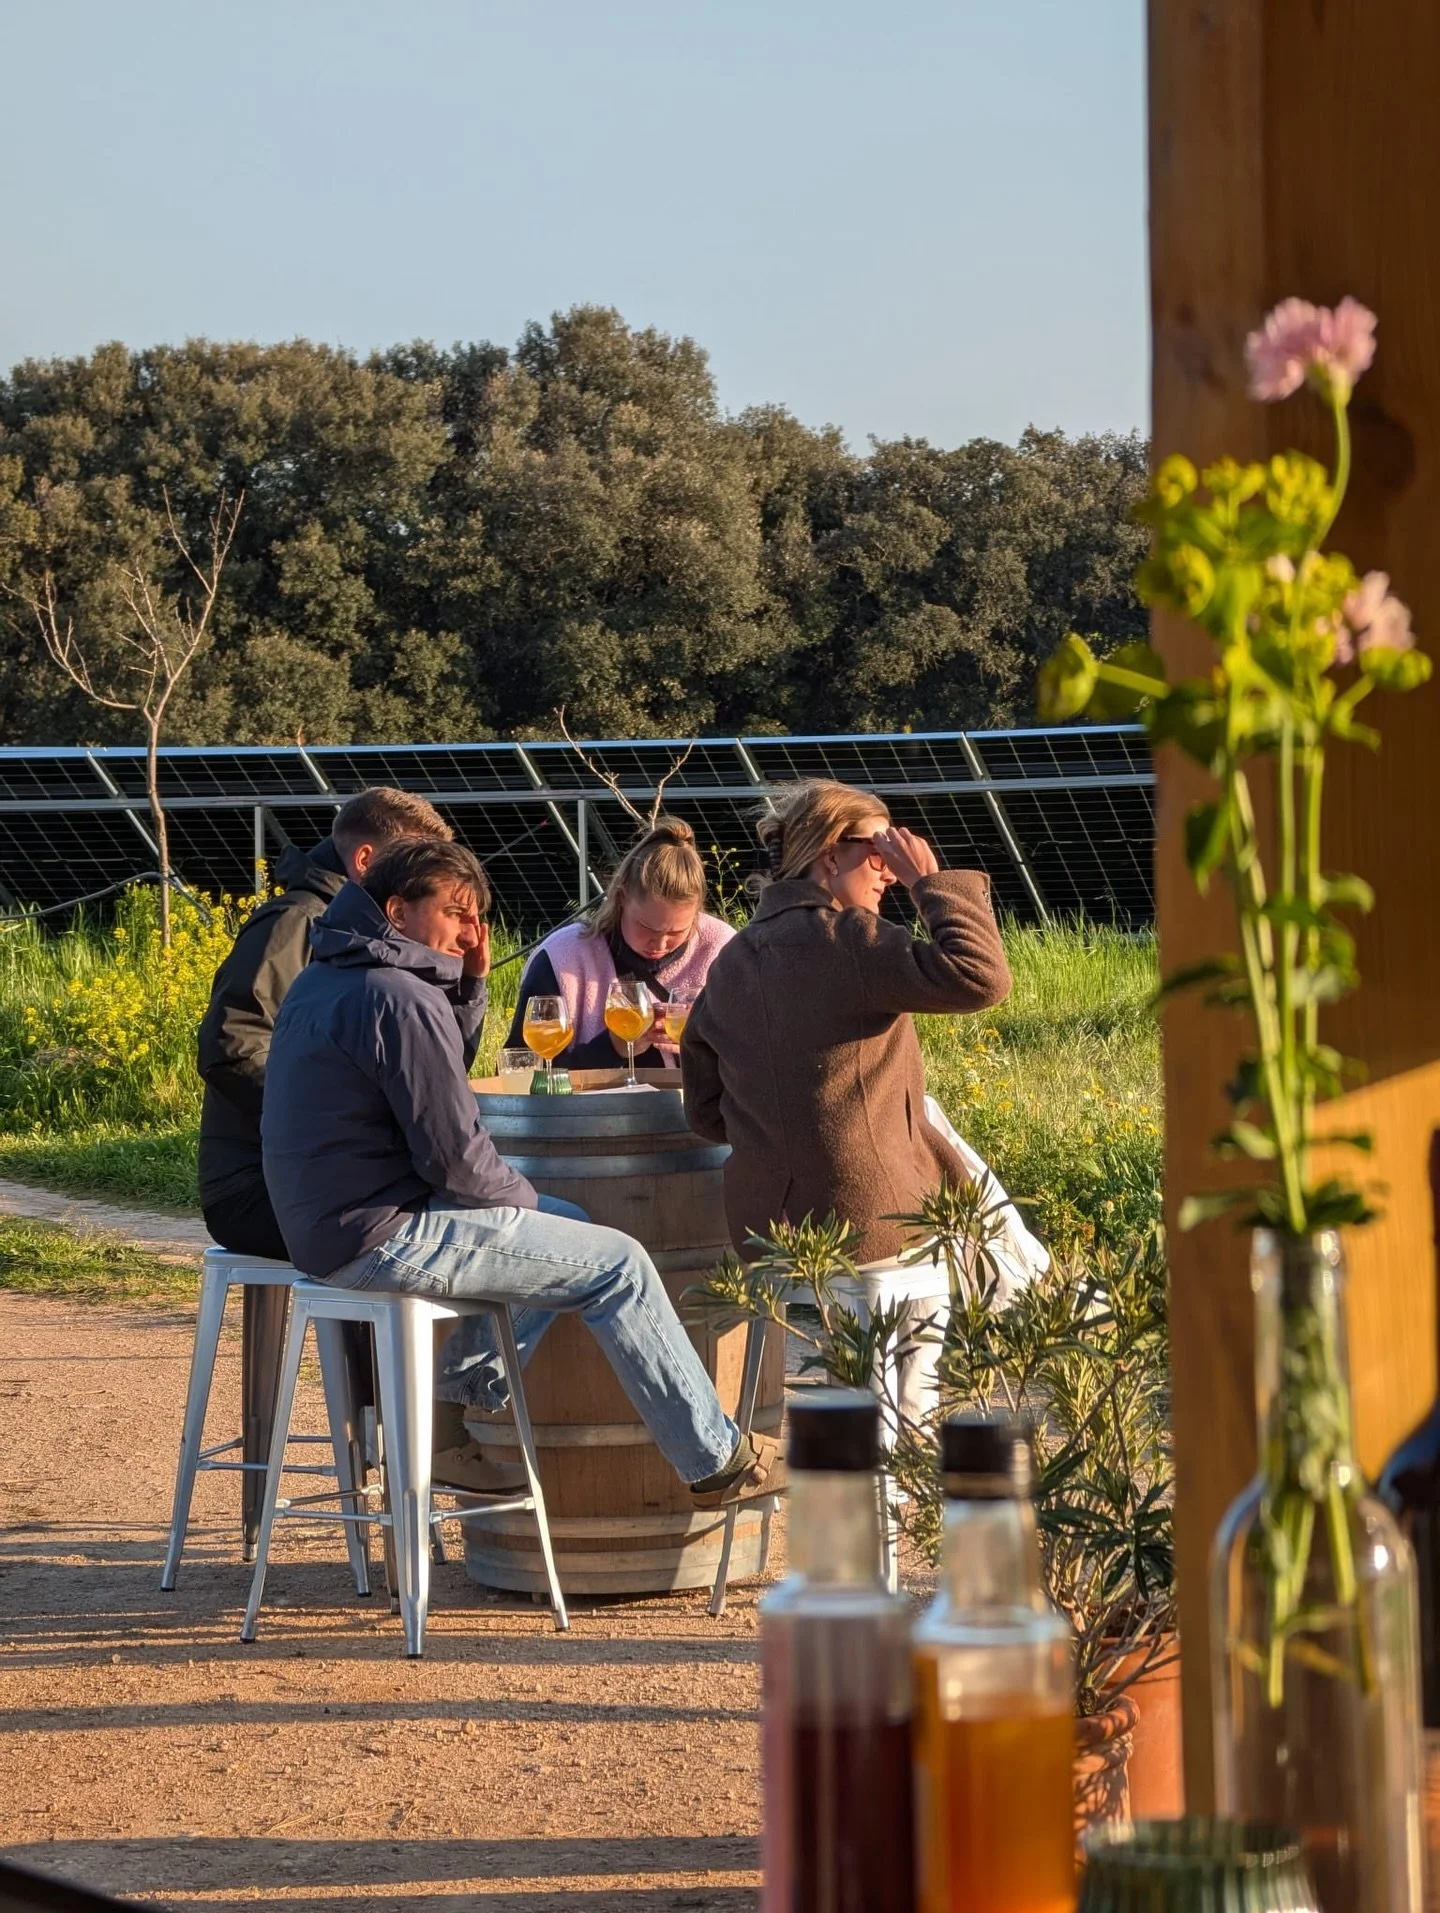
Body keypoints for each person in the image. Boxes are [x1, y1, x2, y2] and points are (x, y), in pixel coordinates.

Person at [261, 836, 781, 1510]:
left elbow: (433, 1073)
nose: (473, 931)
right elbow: (461, 1167)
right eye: (456, 914)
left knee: (571, 1226)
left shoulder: (331, 971)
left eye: (478, 916)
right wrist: (523, 1204)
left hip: (327, 1225)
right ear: (397, 911)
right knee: (617, 1263)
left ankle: (459, 1427)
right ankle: (718, 1459)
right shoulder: (398, 996)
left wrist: (470, 983)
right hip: (378, 1233)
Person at [680, 778, 1048, 1416]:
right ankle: (907, 1460)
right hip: (871, 1227)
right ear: (830, 855)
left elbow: (705, 1113)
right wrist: (929, 884)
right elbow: (983, 978)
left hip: (765, 1232)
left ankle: (888, 1449)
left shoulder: (733, 958)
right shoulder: (848, 939)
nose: (887, 867)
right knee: (945, 1195)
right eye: (878, 850)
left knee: (932, 1138)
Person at [196, 785, 493, 1493]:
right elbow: (229, 1044)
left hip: (333, 1180)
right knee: (421, 1237)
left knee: (441, 1226)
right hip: (259, 1186)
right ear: (368, 861)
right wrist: (324, 1122)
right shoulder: (297, 923)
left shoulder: (388, 950)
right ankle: (411, 1454)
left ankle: (412, 1451)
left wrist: (468, 988)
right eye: (415, 868)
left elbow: (437, 1069)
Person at [507, 816, 733, 1071]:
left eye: (677, 932)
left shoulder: (722, 951)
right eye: (646, 927)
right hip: (588, 1111)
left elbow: (757, 1063)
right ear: (621, 897)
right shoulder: (564, 957)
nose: (659, 943)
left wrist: (703, 1042)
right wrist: (610, 1047)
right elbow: (520, 1070)